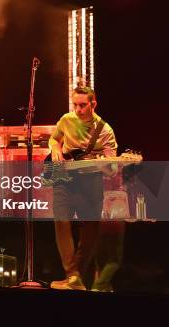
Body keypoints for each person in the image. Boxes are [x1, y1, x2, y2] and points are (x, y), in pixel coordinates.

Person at [49, 86, 117, 290]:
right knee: (61, 219)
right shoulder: (66, 119)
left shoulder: (105, 130)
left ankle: (74, 277)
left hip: (90, 179)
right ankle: (72, 275)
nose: (78, 110)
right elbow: (54, 138)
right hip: (64, 176)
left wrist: (106, 165)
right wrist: (55, 149)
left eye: (82, 105)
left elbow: (111, 168)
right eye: (75, 105)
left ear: (93, 104)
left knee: (92, 228)